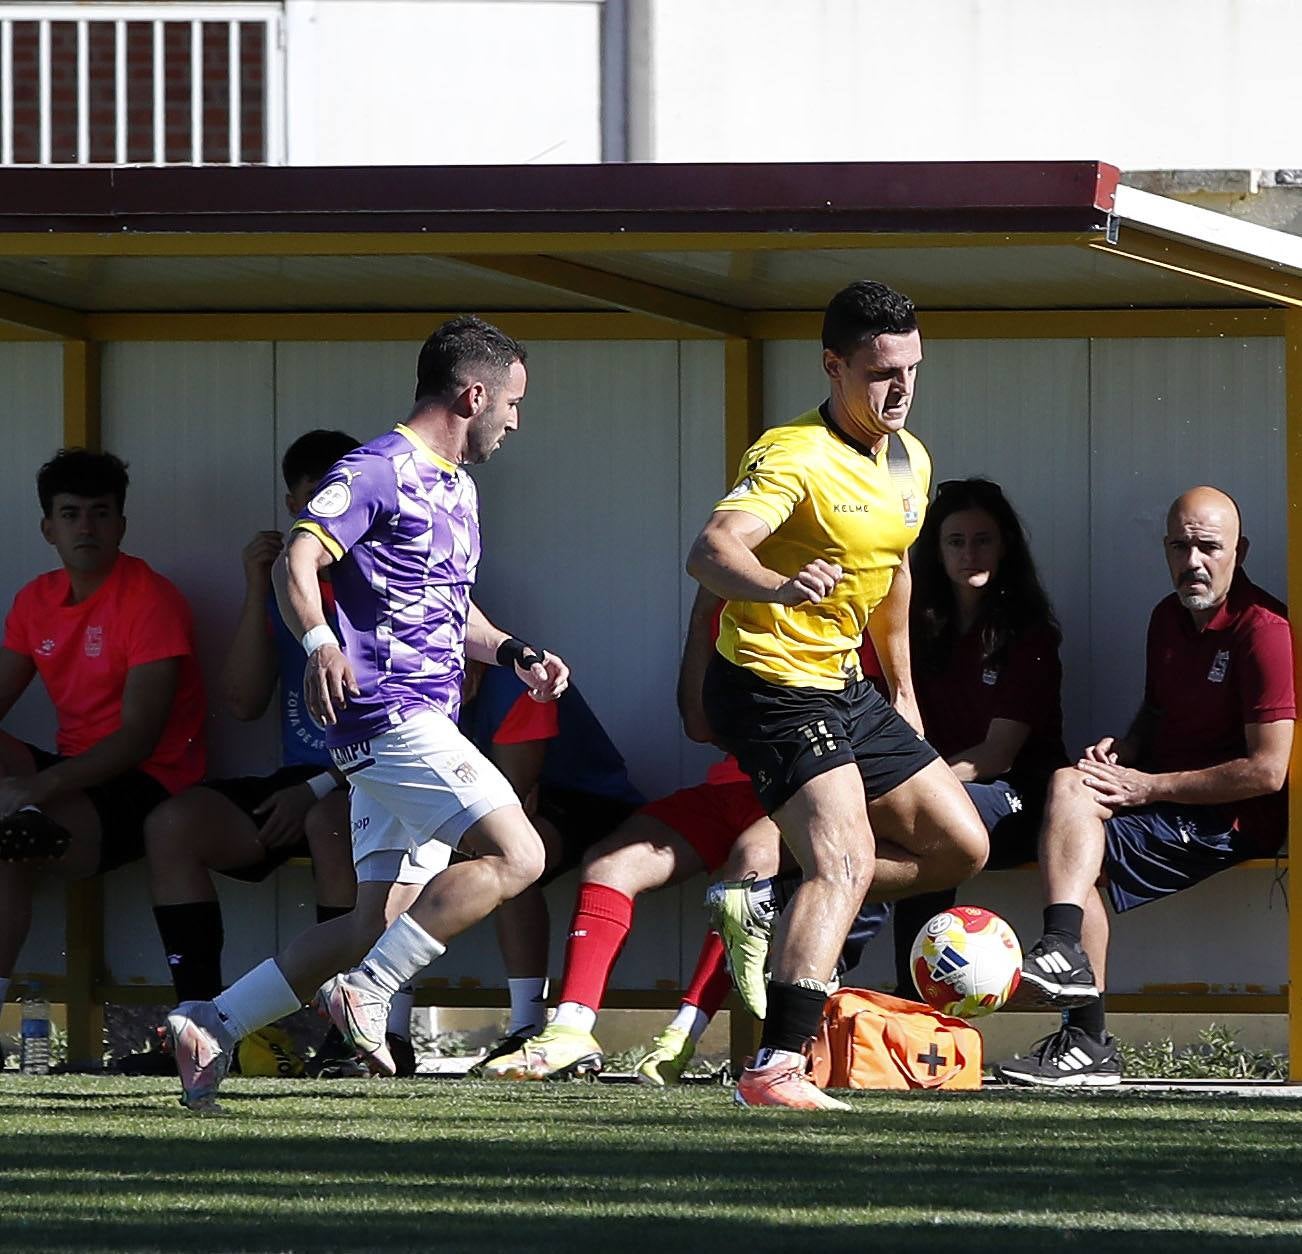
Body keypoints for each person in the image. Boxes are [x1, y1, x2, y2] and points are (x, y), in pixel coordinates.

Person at [165, 316, 568, 1112]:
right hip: (386, 716)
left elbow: (450, 612)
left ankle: (211, 1024)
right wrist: (318, 642)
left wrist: (515, 653)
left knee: (365, 923)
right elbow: (300, 555)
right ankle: (371, 989)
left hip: (423, 719)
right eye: (513, 403)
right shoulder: (377, 467)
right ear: (473, 393)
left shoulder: (458, 486)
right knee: (521, 855)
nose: (517, 420)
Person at [685, 280, 988, 1111]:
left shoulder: (909, 457)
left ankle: (778, 900)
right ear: (833, 365)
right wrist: (779, 587)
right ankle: (774, 1068)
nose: (901, 389)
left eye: (912, 370)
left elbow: (890, 571)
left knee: (961, 846)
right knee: (846, 855)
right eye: (882, 372)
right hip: (770, 683)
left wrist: (903, 688)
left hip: (846, 686)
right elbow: (710, 551)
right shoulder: (791, 455)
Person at [995, 486, 1294, 1086]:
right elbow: (1157, 711)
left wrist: (1147, 787)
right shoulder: (1167, 617)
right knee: (1070, 791)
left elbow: (1268, 771)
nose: (1194, 562)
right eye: (1181, 546)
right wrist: (1126, 748)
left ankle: (1082, 1026)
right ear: (1165, 549)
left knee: (1082, 851)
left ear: (1242, 551)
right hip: (1166, 796)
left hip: (1233, 818)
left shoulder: (1264, 630)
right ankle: (1073, 986)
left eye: (1209, 547)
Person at [481, 587, 775, 1086]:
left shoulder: (850, 600)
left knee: (742, 880)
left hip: (801, 793)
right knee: (607, 865)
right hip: (728, 787)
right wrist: (706, 607)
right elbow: (700, 726)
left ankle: (680, 1037)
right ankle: (570, 1029)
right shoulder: (732, 603)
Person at [140, 432, 359, 1044]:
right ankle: (198, 1024)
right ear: (293, 507)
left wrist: (317, 789)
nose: (327, 516)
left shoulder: (389, 582)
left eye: (339, 500)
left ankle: (350, 1035)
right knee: (172, 825)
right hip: (298, 784)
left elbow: (419, 720)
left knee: (329, 821)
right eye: (314, 501)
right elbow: (240, 703)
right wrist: (258, 590)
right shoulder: (287, 585)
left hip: (371, 778)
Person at [0, 449, 206, 1040]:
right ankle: (25, 816)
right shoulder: (33, 599)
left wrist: (40, 787)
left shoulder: (150, 599)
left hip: (147, 780)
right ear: (48, 528)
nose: (85, 527)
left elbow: (139, 739)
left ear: (120, 524)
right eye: (70, 515)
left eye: (99, 513)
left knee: (9, 851)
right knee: (9, 849)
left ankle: (28, 814)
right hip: (69, 776)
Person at [454, 656, 645, 1065]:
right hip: (495, 804)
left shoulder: (517, 681)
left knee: (509, 858)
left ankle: (526, 1027)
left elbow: (513, 797)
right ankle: (385, 1028)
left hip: (590, 799)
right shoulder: (411, 686)